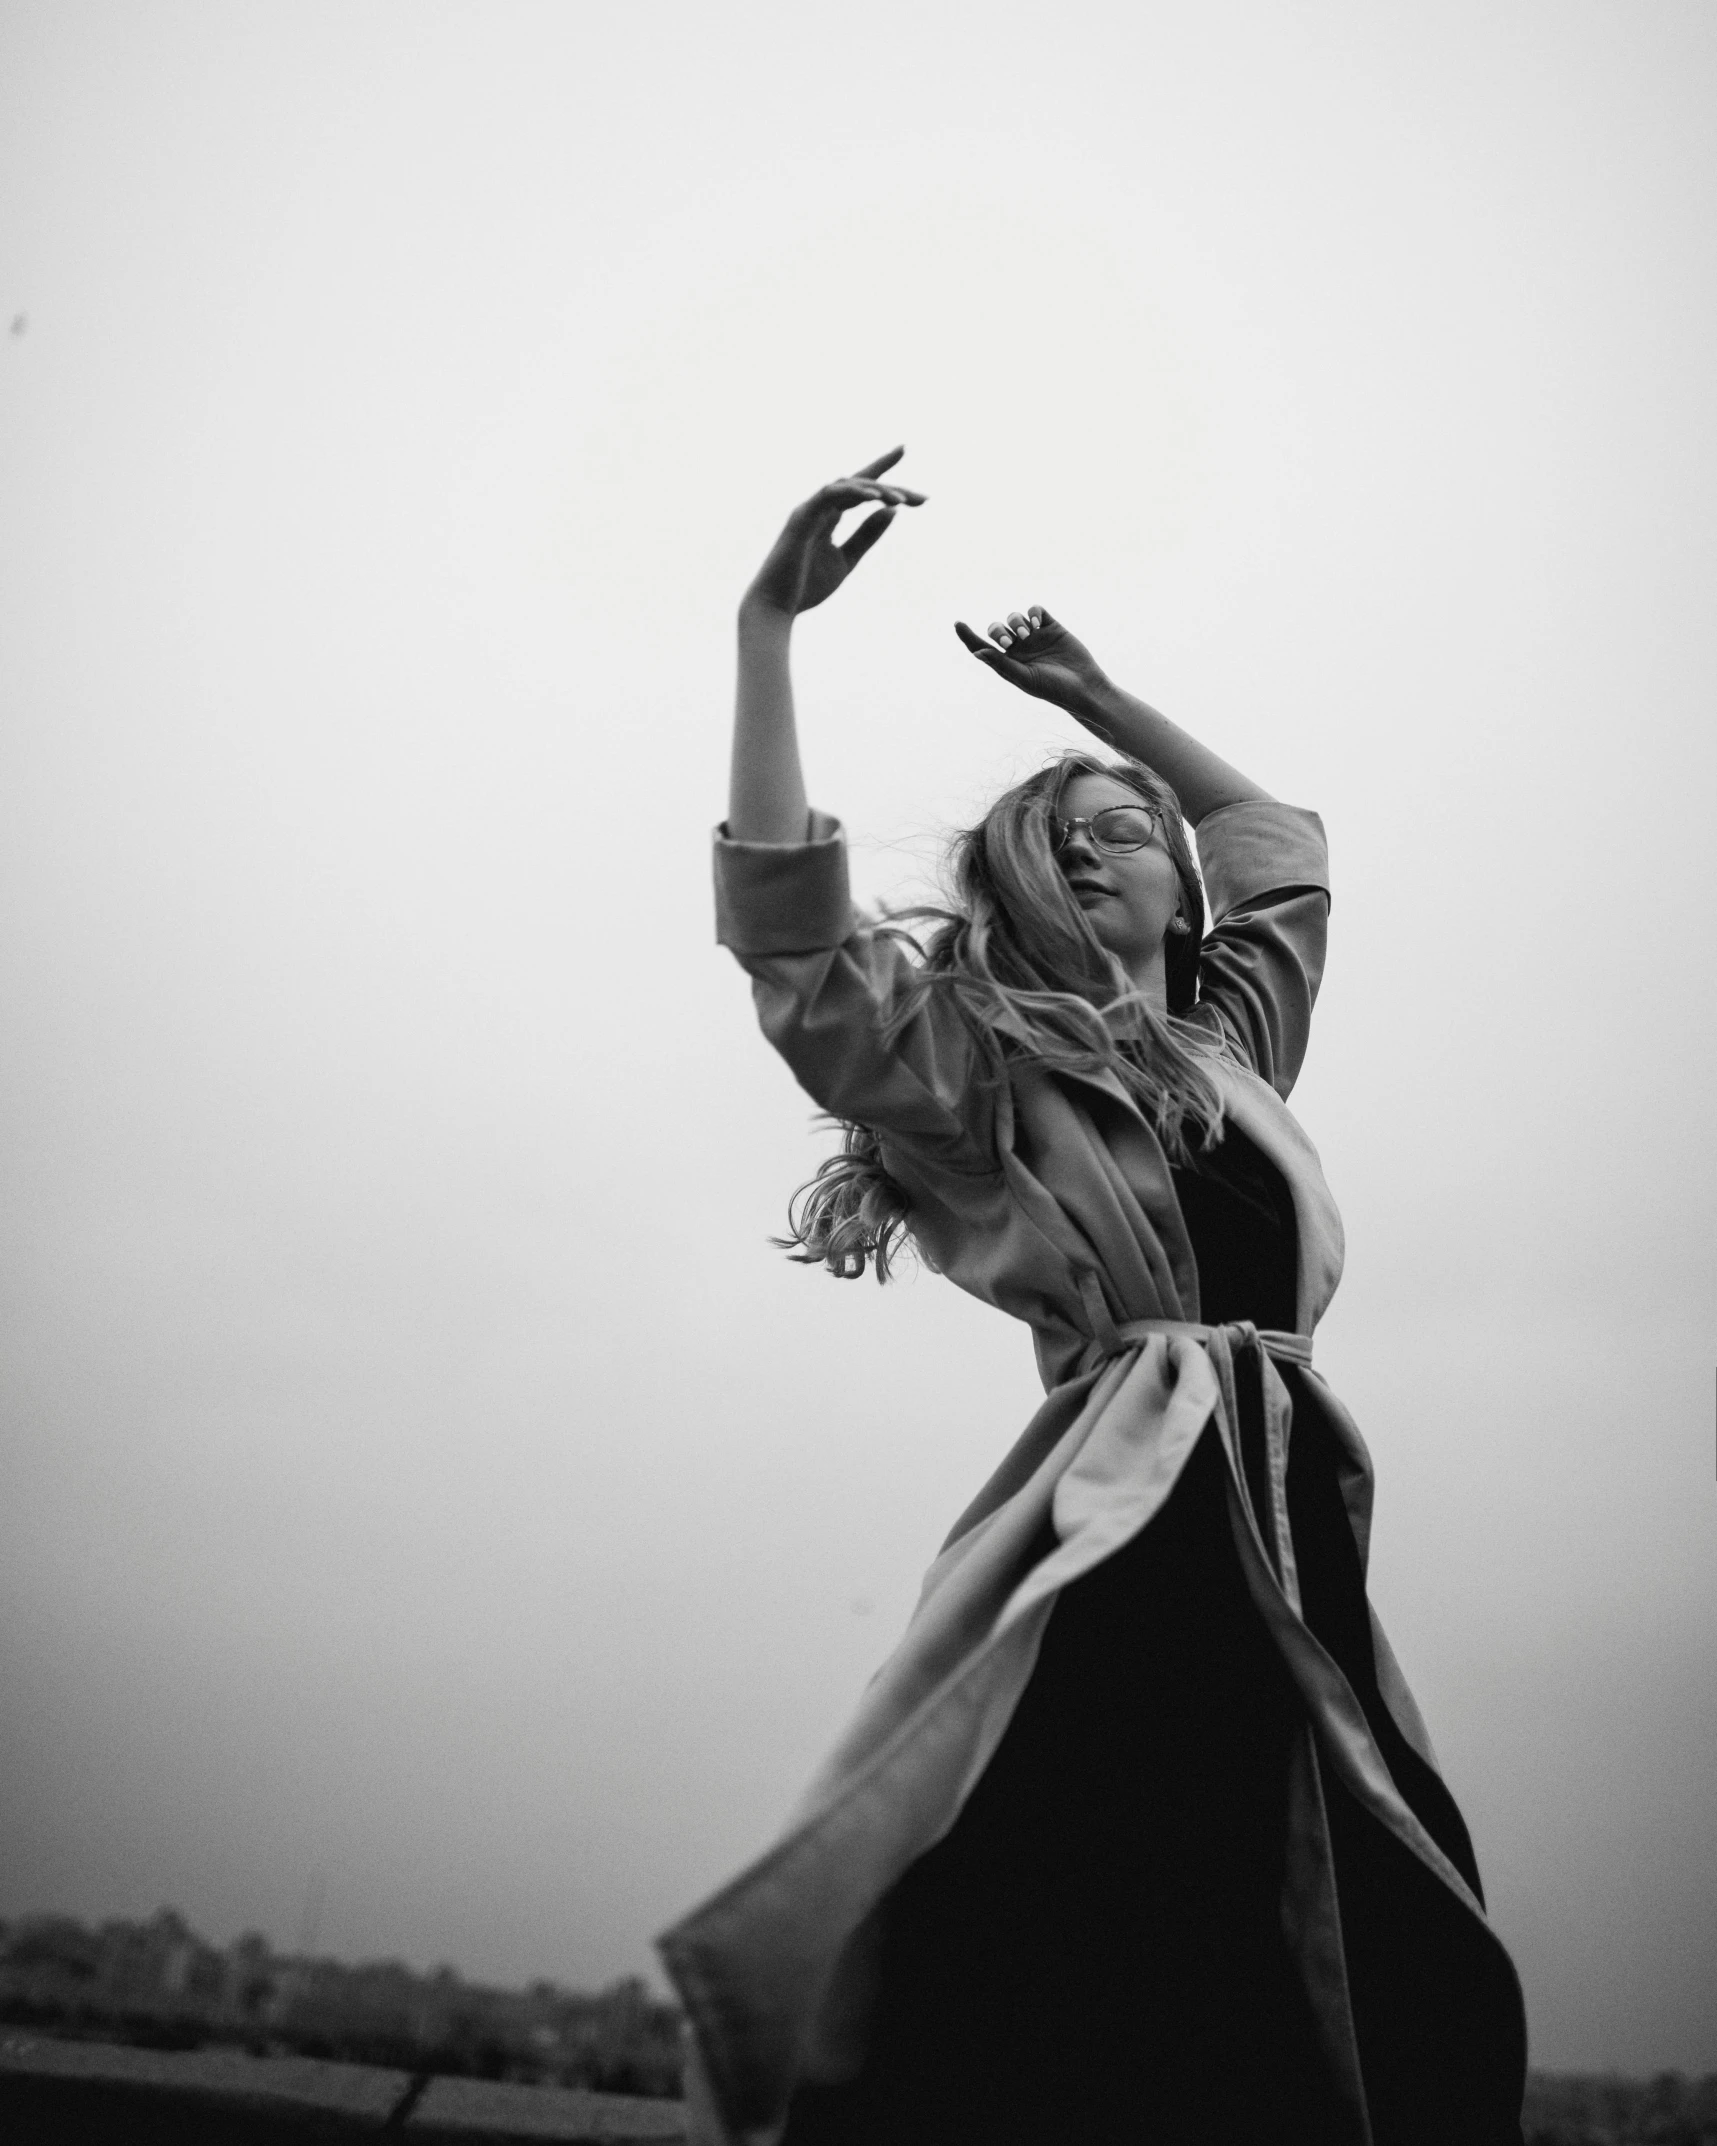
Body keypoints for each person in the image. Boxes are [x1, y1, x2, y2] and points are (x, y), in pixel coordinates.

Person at [657, 450, 1528, 2146]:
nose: (1147, 840)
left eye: (1141, 822)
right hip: (1127, 1506)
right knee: (1067, 1854)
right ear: (1051, 881)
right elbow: (797, 952)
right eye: (1100, 828)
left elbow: (1284, 855)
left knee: (1347, 1863)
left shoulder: (1234, 1043)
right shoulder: (984, 1063)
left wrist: (1105, 700)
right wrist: (766, 629)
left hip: (1287, 1509)